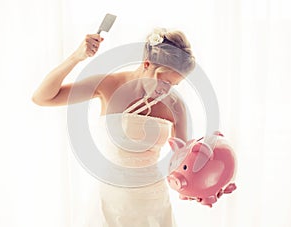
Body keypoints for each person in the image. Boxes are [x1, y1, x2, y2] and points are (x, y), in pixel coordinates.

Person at [32, 27, 195, 227]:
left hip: (153, 204)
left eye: (174, 85)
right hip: (111, 200)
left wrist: (200, 188)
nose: (167, 90)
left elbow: (184, 160)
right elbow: (42, 97)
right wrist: (76, 57)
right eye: (165, 81)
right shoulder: (108, 85)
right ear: (146, 64)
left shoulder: (176, 105)